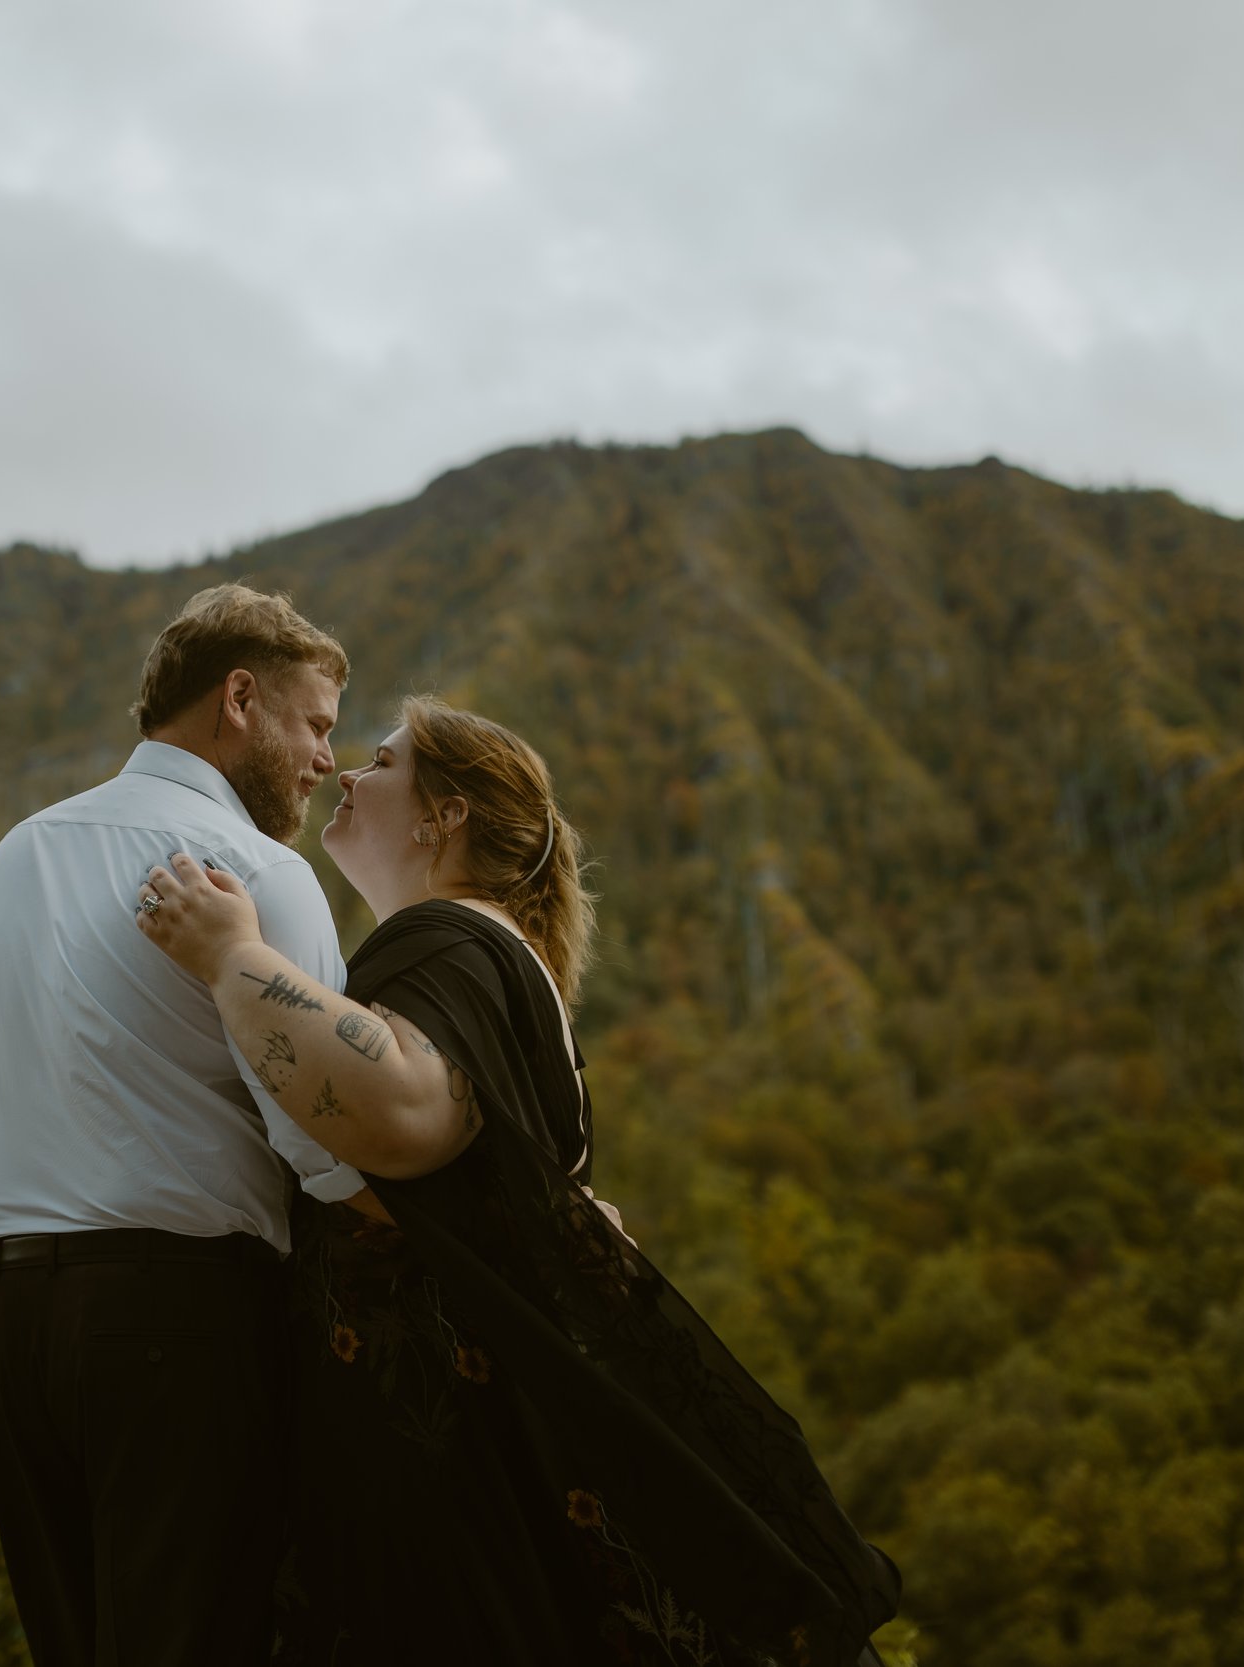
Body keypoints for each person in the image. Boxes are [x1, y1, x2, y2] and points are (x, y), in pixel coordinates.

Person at [135, 695, 903, 1667]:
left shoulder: (448, 941)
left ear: (441, 815)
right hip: (496, 1440)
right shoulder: (500, 954)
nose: (344, 774)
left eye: (379, 760)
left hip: (447, 1457)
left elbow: (399, 1109)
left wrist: (228, 953)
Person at [0, 583, 371, 1667]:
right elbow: (325, 1131)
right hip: (181, 1322)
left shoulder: (9, 860)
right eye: (315, 722)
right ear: (240, 700)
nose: (326, 757)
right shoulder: (264, 873)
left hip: (8, 1326)